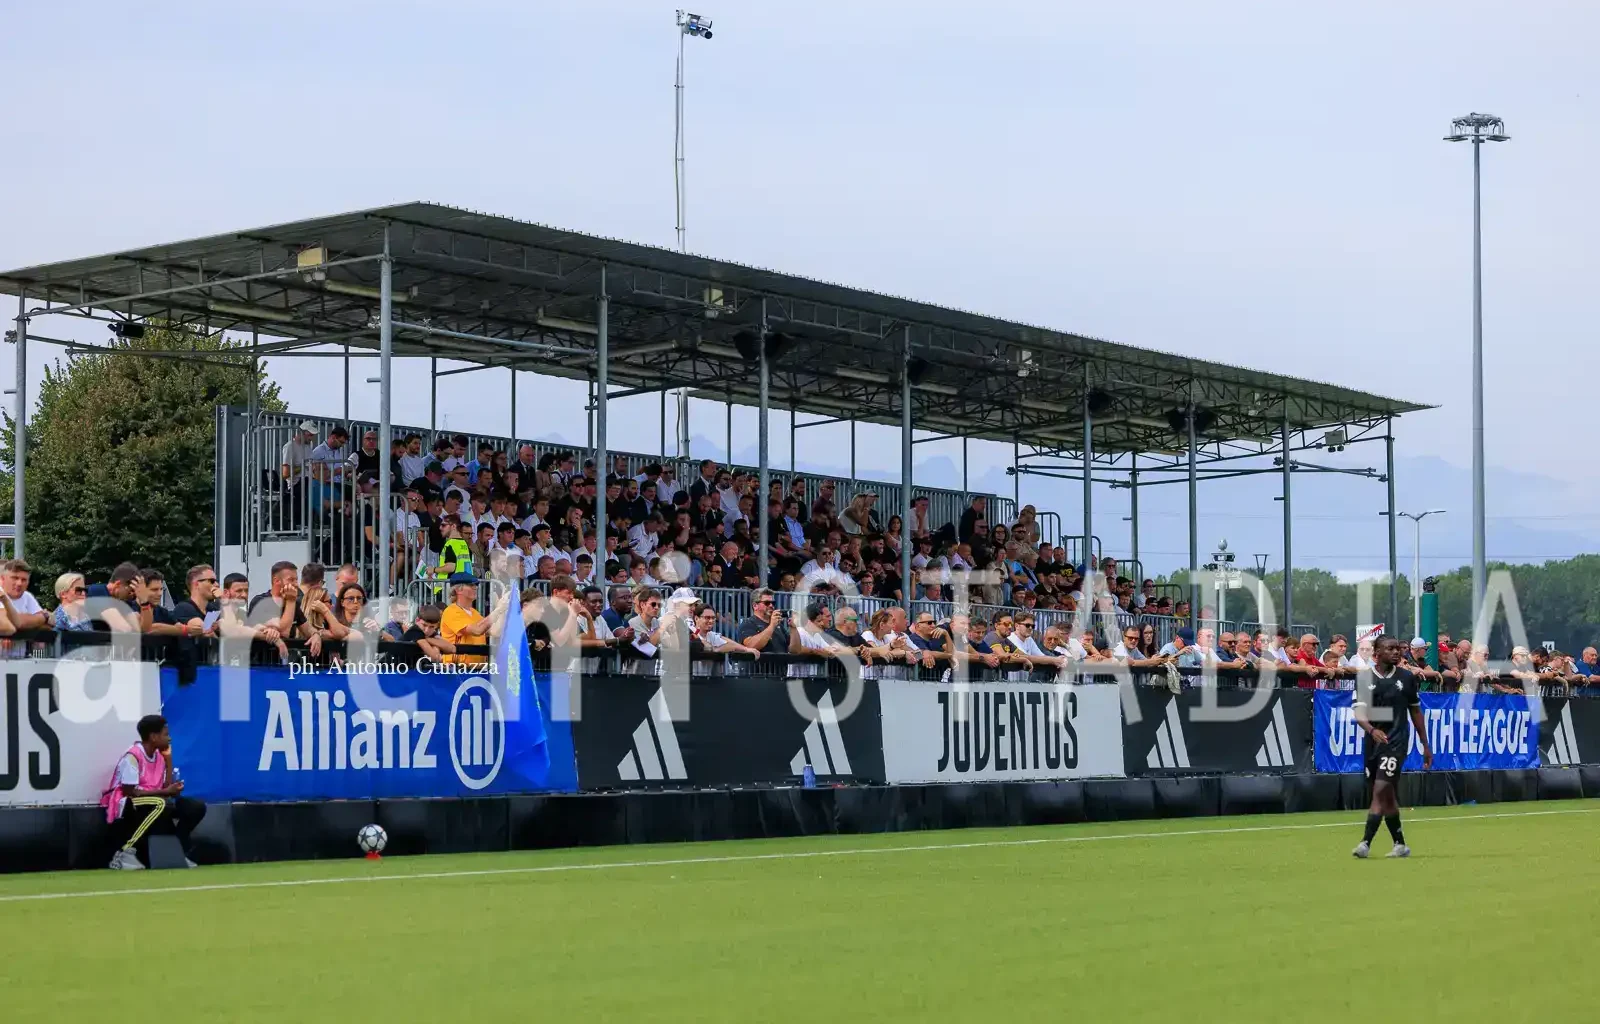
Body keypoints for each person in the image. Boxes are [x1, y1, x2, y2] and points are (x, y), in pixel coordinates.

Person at [1351, 635, 1432, 860]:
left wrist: (1425, 744)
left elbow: (1415, 711)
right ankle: (1400, 844)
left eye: (1398, 649)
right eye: (1391, 649)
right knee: (1386, 796)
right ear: (1377, 653)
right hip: (1372, 743)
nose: (1397, 652)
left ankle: (1365, 843)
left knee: (1380, 790)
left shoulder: (1406, 677)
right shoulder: (1364, 677)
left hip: (1395, 743)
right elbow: (1359, 712)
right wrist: (1371, 730)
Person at [101, 714, 206, 870]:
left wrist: (169, 763)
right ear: (153, 737)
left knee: (195, 807)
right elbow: (130, 792)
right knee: (160, 803)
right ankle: (124, 853)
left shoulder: (159, 756)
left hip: (153, 800)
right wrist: (164, 792)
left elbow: (165, 786)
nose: (169, 738)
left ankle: (176, 851)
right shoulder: (133, 755)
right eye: (166, 734)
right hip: (128, 802)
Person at [440, 572, 495, 663]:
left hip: (477, 671)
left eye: (476, 585)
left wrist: (506, 609)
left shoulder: (475, 613)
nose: (475, 587)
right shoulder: (451, 611)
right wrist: (498, 610)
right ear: (458, 590)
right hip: (457, 670)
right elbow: (478, 631)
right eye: (470, 585)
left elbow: (494, 631)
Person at [1, 559, 48, 631]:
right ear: (2, 579)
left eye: (24, 580)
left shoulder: (27, 596)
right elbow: (18, 622)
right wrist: (44, 617)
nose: (19, 583)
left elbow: (47, 625)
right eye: (15, 578)